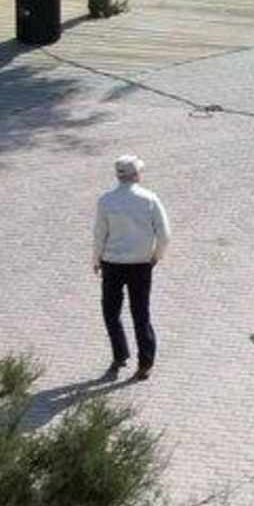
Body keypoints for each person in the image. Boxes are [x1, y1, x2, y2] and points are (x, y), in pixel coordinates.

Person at [94, 153, 170, 380]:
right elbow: (164, 234)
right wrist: (156, 256)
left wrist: (96, 259)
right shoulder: (149, 199)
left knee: (110, 312)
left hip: (112, 264)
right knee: (141, 314)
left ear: (118, 176)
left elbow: (100, 234)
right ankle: (145, 363)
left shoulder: (106, 200)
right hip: (140, 265)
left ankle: (119, 355)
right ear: (136, 175)